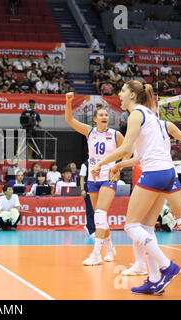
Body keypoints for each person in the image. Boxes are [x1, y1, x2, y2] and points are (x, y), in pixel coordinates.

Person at [91, 80, 181, 295]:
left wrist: (101, 164)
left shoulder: (136, 114)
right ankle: (153, 280)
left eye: (123, 91)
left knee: (131, 226)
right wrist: (119, 164)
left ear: (132, 95)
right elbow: (131, 154)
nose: (120, 94)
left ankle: (166, 266)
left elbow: (125, 148)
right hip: (166, 172)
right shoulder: (149, 115)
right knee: (147, 227)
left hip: (154, 173)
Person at [108, 117, 181, 278]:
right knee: (144, 225)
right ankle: (142, 266)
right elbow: (139, 158)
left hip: (159, 175)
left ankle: (147, 266)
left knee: (138, 224)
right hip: (161, 175)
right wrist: (119, 164)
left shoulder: (162, 125)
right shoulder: (141, 127)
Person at [66, 92, 124, 265]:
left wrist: (118, 167)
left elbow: (128, 152)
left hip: (108, 177)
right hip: (93, 178)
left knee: (100, 213)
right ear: (95, 119)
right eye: (101, 115)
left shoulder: (115, 135)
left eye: (106, 114)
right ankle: (111, 248)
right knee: (101, 218)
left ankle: (96, 253)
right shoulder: (89, 132)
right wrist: (68, 101)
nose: (105, 116)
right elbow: (69, 120)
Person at [79, 160, 95, 238]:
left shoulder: (99, 162)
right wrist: (82, 189)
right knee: (90, 210)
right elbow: (82, 178)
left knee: (97, 210)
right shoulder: (85, 165)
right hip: (88, 189)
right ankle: (91, 229)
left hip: (97, 189)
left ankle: (95, 228)